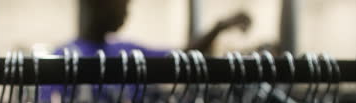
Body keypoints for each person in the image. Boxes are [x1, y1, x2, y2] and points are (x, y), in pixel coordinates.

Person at [55, 0, 252, 56]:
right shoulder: (62, 58)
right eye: (123, 3)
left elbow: (181, 55)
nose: (126, 11)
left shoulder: (126, 52)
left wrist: (218, 28)